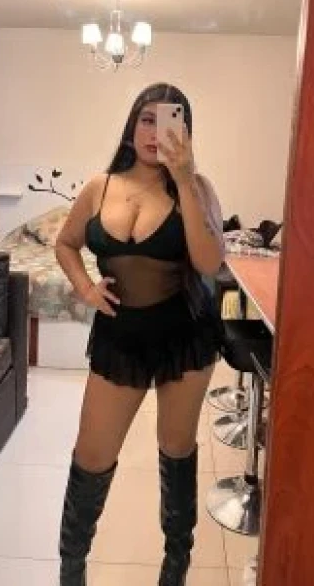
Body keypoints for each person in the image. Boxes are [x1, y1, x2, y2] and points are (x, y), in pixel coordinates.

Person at [55, 83, 225, 586]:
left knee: (176, 450)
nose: (155, 131)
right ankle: (71, 571)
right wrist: (85, 288)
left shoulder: (199, 187)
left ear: (185, 133)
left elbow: (209, 263)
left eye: (170, 121)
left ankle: (175, 566)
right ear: (132, 126)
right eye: (147, 119)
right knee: (91, 457)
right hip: (118, 340)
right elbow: (66, 243)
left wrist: (185, 178)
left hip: (184, 339)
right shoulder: (99, 186)